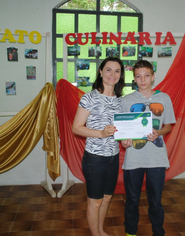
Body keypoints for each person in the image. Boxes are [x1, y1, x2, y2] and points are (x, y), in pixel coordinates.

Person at [121, 60, 176, 236]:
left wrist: (158, 132)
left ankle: (158, 232)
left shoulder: (164, 98)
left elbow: (168, 126)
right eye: (138, 76)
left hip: (157, 158)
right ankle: (130, 232)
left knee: (156, 201)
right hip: (134, 158)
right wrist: (123, 140)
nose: (142, 79)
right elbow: (122, 130)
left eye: (146, 75)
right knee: (132, 199)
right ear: (134, 78)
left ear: (153, 76)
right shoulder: (126, 100)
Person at [72, 57, 125, 236]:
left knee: (108, 198)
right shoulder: (89, 97)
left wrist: (125, 138)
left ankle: (101, 231)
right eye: (108, 69)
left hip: (113, 156)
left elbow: (120, 130)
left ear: (121, 75)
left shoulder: (120, 101)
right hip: (94, 157)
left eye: (117, 71)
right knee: (95, 201)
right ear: (100, 72)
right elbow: (76, 128)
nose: (112, 74)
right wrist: (101, 133)